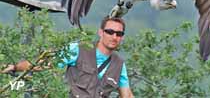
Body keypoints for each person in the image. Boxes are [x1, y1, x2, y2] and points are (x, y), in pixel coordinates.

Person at [1, 17, 134, 98]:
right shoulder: (78, 49)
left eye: (119, 33)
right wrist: (15, 67)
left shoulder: (119, 64)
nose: (114, 36)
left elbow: (127, 95)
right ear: (100, 32)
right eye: (110, 32)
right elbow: (44, 65)